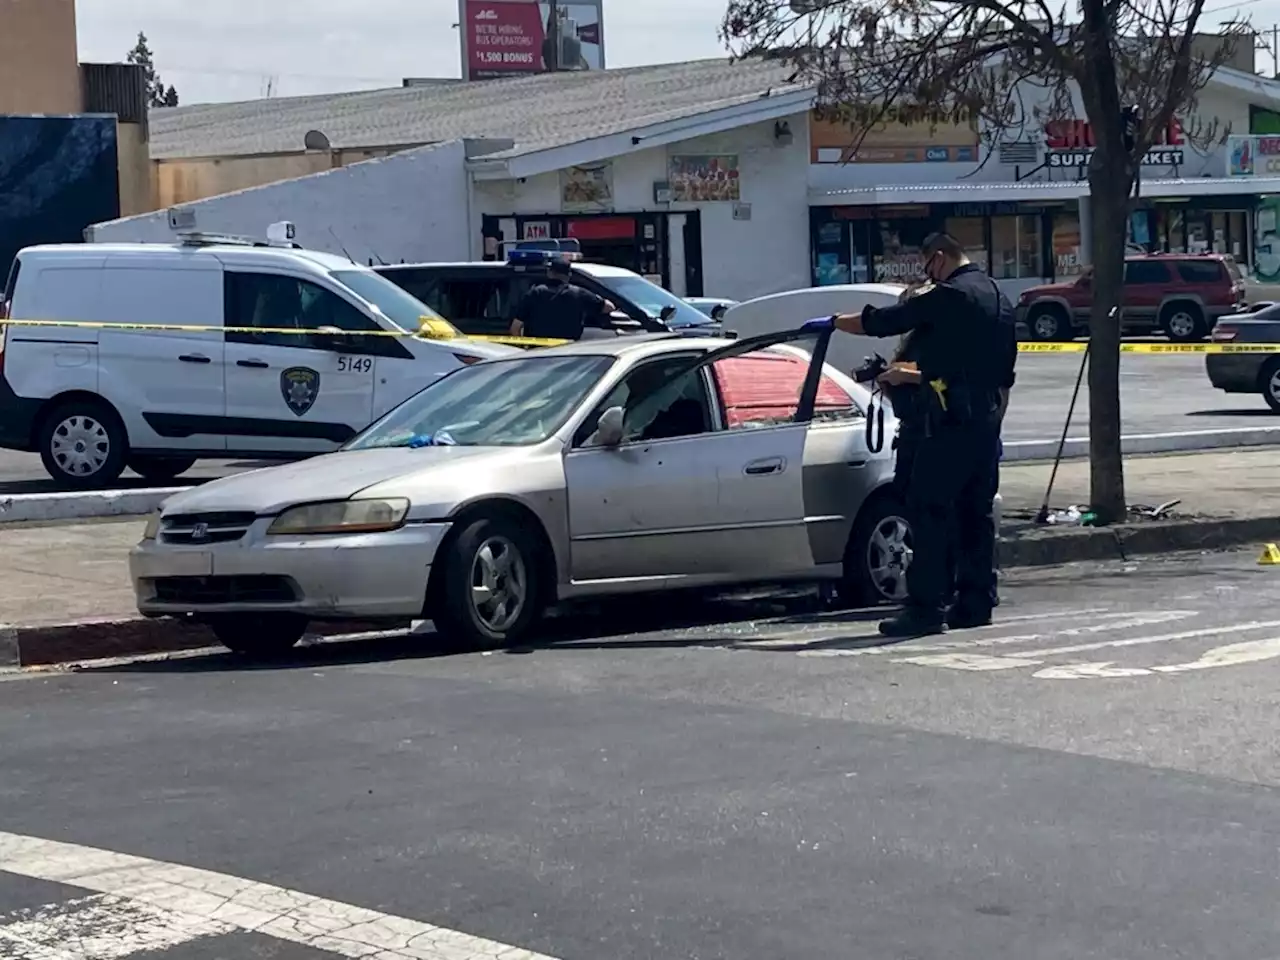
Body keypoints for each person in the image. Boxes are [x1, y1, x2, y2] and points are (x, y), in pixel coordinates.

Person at [833, 233, 1017, 638]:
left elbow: (884, 322)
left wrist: (834, 323)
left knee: (929, 510)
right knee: (976, 513)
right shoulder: (999, 297)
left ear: (938, 258)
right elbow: (999, 368)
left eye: (927, 267)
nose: (927, 275)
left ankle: (926, 608)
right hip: (987, 421)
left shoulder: (950, 295)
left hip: (949, 422)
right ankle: (975, 601)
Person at [510, 258, 616, 341]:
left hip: (538, 353)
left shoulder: (535, 293)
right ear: (569, 275)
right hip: (568, 354)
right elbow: (609, 307)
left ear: (549, 273)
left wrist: (524, 349)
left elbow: (515, 327)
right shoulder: (579, 293)